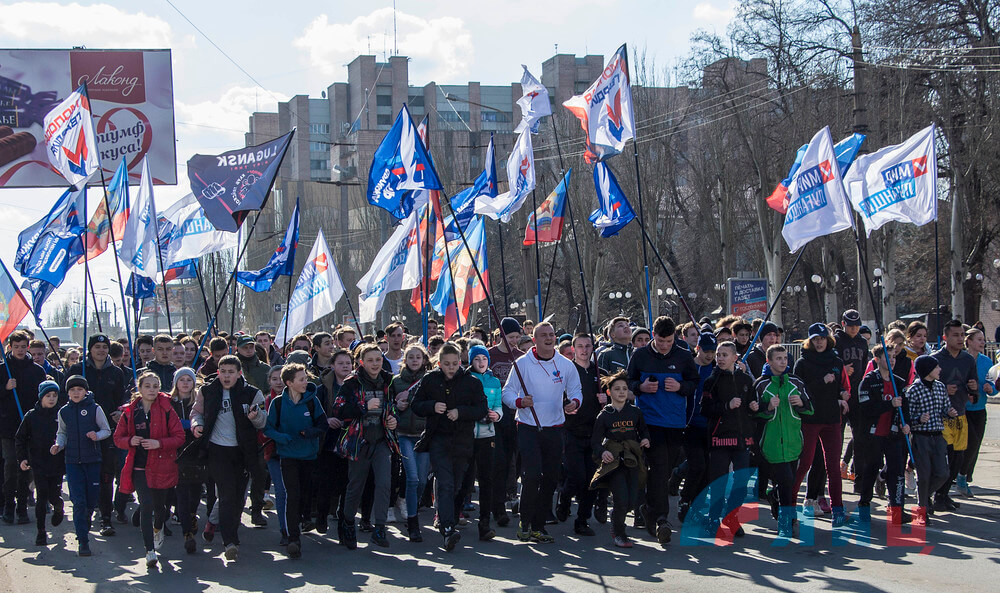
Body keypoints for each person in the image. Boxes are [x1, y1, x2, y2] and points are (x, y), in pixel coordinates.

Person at [501, 322, 582, 544]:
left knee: (550, 478)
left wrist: (574, 403)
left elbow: (576, 390)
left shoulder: (565, 365)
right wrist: (519, 402)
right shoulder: (523, 364)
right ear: (534, 339)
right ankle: (524, 522)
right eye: (543, 335)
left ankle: (538, 526)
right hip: (528, 427)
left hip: (555, 428)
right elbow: (507, 392)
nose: (549, 338)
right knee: (533, 475)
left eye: (551, 334)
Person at [625, 316, 699, 544]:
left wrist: (681, 387)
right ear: (653, 335)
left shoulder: (684, 356)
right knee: (658, 466)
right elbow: (628, 381)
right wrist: (641, 387)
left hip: (675, 421)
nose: (664, 345)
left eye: (668, 341)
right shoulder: (640, 355)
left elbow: (693, 383)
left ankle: (649, 508)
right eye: (660, 340)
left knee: (666, 469)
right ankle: (661, 519)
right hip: (649, 421)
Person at [190, 355, 269, 562]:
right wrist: (196, 425)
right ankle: (229, 542)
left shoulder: (252, 393)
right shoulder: (208, 391)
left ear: (239, 373)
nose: (226, 376)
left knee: (238, 498)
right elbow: (196, 412)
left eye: (231, 372)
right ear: (218, 372)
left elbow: (263, 422)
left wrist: (256, 417)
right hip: (217, 451)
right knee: (225, 496)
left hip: (242, 453)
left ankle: (230, 534)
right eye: (223, 371)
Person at [411, 343, 488, 550]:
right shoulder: (430, 380)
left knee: (457, 484)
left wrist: (460, 412)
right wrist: (432, 407)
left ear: (460, 362)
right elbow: (415, 405)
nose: (451, 368)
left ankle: (449, 518)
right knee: (445, 482)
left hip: (462, 440)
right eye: (446, 364)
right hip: (438, 438)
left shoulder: (470, 382)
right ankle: (447, 528)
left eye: (455, 363)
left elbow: (482, 408)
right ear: (439, 363)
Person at [114, 371, 185, 568]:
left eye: (155, 386)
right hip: (139, 467)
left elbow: (179, 437)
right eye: (148, 386)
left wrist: (158, 443)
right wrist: (130, 440)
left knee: (160, 508)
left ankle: (158, 527)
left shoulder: (167, 409)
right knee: (146, 505)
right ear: (140, 388)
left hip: (162, 465)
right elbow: (117, 438)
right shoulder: (130, 411)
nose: (152, 390)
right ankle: (149, 550)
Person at [332, 343, 399, 550]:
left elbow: (392, 406)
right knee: (356, 486)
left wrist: (393, 419)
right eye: (370, 360)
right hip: (359, 442)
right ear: (361, 362)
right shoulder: (351, 383)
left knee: (384, 483)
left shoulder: (388, 381)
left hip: (381, 441)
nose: (375, 364)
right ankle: (348, 523)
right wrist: (363, 407)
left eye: (378, 359)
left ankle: (380, 528)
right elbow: (338, 410)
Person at [264, 363, 328, 559]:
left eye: (306, 378)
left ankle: (305, 519)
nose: (305, 382)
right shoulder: (278, 403)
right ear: (289, 383)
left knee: (305, 494)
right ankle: (293, 539)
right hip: (288, 456)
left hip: (308, 455)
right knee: (293, 495)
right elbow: (268, 429)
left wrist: (310, 432)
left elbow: (323, 424)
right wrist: (281, 438)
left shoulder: (312, 400)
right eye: (301, 379)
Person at [66, 333, 127, 536]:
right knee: (85, 476)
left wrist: (121, 411)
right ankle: (85, 513)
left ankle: (106, 518)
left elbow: (123, 398)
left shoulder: (116, 373)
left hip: (108, 431)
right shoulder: (77, 370)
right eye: (97, 346)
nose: (101, 350)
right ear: (90, 349)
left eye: (104, 346)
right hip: (82, 433)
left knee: (106, 476)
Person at [792, 323, 850, 526]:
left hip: (832, 419)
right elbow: (799, 390)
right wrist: (821, 381)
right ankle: (788, 505)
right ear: (809, 341)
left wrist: (842, 394)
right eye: (815, 339)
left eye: (822, 338)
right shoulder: (803, 362)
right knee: (805, 464)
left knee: (833, 466)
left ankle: (838, 510)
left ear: (828, 340)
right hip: (810, 419)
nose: (819, 342)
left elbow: (840, 385)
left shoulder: (836, 361)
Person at [700, 341, 759, 537]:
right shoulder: (711, 381)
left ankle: (732, 517)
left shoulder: (746, 380)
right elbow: (705, 409)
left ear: (735, 358)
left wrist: (753, 406)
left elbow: (752, 401)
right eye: (718, 355)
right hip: (719, 438)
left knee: (742, 481)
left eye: (725, 355)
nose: (720, 359)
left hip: (742, 438)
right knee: (719, 481)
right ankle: (712, 518)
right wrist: (727, 406)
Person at [754, 345, 812, 538]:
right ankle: (786, 520)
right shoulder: (761, 384)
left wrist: (801, 404)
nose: (782, 362)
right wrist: (767, 407)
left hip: (793, 442)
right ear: (768, 362)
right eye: (778, 359)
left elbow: (810, 408)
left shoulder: (796, 382)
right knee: (786, 481)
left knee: (789, 481)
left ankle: (776, 499)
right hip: (771, 443)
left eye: (785, 358)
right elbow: (754, 413)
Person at [53, 375, 113, 556]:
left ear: (85, 391)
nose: (76, 393)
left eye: (79, 390)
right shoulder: (64, 411)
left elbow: (106, 430)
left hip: (92, 460)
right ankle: (83, 541)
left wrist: (97, 435)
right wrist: (58, 444)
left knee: (91, 499)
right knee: (77, 501)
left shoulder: (95, 408)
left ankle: (87, 516)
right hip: (72, 461)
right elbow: (62, 432)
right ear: (68, 393)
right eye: (72, 390)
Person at [590, 372, 650, 548]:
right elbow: (595, 441)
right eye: (617, 389)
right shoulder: (604, 415)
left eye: (624, 388)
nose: (622, 392)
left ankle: (616, 519)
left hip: (632, 460)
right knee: (621, 498)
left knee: (632, 500)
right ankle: (619, 533)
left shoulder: (635, 412)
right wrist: (602, 452)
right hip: (614, 463)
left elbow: (644, 431)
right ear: (609, 393)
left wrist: (646, 439)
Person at [855, 344, 909, 524]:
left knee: (897, 471)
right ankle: (864, 505)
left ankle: (897, 509)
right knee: (871, 468)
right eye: (888, 357)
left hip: (893, 435)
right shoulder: (869, 381)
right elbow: (866, 408)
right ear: (877, 360)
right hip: (873, 434)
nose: (892, 360)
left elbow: (905, 407)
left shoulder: (898, 382)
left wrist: (906, 424)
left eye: (894, 356)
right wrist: (890, 404)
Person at [558, 333, 603, 535]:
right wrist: (565, 405)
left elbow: (618, 398)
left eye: (588, 346)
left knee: (591, 480)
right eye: (580, 346)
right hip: (571, 431)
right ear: (573, 349)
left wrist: (607, 399)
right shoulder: (566, 371)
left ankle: (582, 520)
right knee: (576, 476)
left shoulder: (600, 373)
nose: (585, 350)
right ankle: (565, 499)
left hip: (594, 433)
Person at [931, 319, 978, 511]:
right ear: (945, 337)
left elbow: (973, 391)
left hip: (960, 414)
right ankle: (935, 494)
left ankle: (943, 494)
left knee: (958, 458)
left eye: (962, 335)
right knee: (943, 458)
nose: (960, 339)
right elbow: (923, 385)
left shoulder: (967, 359)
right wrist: (942, 391)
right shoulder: (935, 359)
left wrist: (973, 389)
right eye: (956, 335)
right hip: (940, 417)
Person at [1, 330, 45, 525]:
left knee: (26, 467)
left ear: (28, 347)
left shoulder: (36, 370)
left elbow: (43, 398)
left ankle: (22, 507)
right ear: (10, 347)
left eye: (23, 347)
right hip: (8, 428)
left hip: (29, 427)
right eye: (16, 347)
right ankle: (8, 506)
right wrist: (5, 388)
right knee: (11, 465)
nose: (20, 350)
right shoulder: (3, 370)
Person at [907, 355, 957, 526]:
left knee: (943, 473)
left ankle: (925, 495)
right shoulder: (914, 390)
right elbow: (907, 416)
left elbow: (945, 407)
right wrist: (918, 418)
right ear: (928, 370)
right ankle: (922, 509)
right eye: (936, 367)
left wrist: (949, 411)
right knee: (924, 474)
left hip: (938, 436)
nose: (940, 370)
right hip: (921, 437)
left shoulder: (940, 387)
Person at [14, 381, 65, 546]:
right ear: (41, 397)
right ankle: (41, 531)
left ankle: (58, 505)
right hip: (38, 463)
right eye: (48, 396)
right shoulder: (31, 416)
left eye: (54, 396)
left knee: (53, 495)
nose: (51, 399)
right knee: (41, 497)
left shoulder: (62, 414)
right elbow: (20, 438)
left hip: (57, 463)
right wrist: (22, 458)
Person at [391, 344, 432, 542]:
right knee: (412, 478)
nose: (415, 360)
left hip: (424, 434)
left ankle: (410, 503)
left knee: (423, 480)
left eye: (418, 357)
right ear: (405, 360)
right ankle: (413, 523)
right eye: (411, 357)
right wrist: (397, 405)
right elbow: (388, 406)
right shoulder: (396, 381)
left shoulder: (430, 380)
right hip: (405, 434)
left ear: (424, 360)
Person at [465, 344, 504, 541]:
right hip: (468, 436)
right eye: (477, 359)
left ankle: (484, 522)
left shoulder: (494, 381)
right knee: (465, 478)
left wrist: (496, 414)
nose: (481, 363)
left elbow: (498, 404)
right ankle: (455, 515)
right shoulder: (465, 379)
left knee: (487, 479)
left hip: (488, 436)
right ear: (471, 361)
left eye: (484, 359)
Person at [487, 317, 524, 523]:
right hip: (495, 416)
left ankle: (512, 493)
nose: (514, 341)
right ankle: (498, 505)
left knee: (515, 460)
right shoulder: (490, 355)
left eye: (518, 337)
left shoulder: (521, 356)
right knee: (499, 461)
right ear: (502, 336)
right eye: (511, 337)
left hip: (515, 414)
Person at [676, 333, 716, 523]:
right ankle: (685, 500)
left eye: (713, 352)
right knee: (697, 465)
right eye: (706, 351)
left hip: (712, 426)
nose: (710, 355)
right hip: (690, 425)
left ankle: (697, 504)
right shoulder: (689, 365)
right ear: (698, 348)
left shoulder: (717, 369)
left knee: (708, 470)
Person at [313, 350, 352, 538]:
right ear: (332, 366)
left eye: (348, 363)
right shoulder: (322, 388)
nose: (345, 366)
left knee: (347, 484)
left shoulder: (356, 386)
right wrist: (327, 420)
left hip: (351, 440)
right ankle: (321, 515)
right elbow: (315, 413)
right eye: (341, 363)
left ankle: (344, 525)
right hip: (328, 442)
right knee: (325, 483)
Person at [170, 367, 206, 554]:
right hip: (176, 452)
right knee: (182, 491)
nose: (185, 383)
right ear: (176, 383)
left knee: (196, 489)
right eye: (181, 379)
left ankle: (192, 514)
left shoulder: (199, 402)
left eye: (189, 380)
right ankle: (187, 533)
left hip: (196, 451)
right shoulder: (169, 402)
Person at [834, 310, 871, 482]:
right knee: (838, 434)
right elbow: (830, 362)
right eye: (850, 326)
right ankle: (834, 468)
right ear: (843, 324)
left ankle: (858, 470)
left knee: (860, 433)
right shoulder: (836, 340)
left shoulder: (862, 342)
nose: (854, 329)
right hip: (840, 392)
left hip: (857, 392)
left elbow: (864, 366)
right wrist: (842, 369)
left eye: (856, 326)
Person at [959, 327, 994, 496]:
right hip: (962, 409)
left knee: (975, 445)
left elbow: (993, 384)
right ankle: (959, 475)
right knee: (967, 443)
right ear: (969, 341)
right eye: (979, 339)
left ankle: (964, 475)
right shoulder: (962, 359)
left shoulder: (986, 361)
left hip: (979, 409)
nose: (983, 342)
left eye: (983, 339)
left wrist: (990, 388)